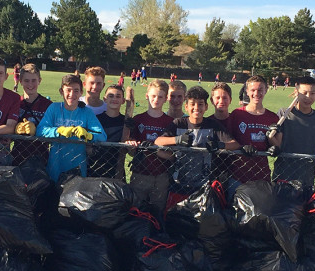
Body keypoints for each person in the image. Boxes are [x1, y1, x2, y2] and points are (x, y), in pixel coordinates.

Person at [155, 86, 237, 209]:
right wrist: (177, 139)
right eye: (192, 104)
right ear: (186, 106)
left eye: (200, 104)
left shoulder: (213, 125)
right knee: (175, 217)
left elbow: (235, 144)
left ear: (206, 107)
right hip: (179, 183)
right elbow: (158, 141)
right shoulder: (178, 123)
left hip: (205, 185)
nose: (196, 108)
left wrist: (220, 145)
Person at [36, 74, 106, 183]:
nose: (72, 94)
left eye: (76, 90)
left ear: (81, 92)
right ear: (61, 91)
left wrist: (89, 135)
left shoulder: (86, 112)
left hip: (78, 169)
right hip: (55, 167)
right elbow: (40, 130)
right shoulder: (54, 108)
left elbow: (102, 136)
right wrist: (58, 130)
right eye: (68, 90)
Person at [125, 79, 173, 214]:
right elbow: (130, 151)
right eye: (153, 96)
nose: (156, 99)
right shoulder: (138, 119)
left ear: (166, 99)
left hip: (161, 175)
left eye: (160, 97)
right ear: (147, 96)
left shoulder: (170, 122)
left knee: (158, 210)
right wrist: (131, 146)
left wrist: (154, 150)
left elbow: (173, 154)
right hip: (140, 173)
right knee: (136, 209)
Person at [272, 76, 315, 188]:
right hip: (283, 176)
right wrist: (270, 135)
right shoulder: (284, 113)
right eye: (304, 92)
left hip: (307, 178)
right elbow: (276, 143)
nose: (308, 97)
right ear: (296, 92)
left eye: (312, 93)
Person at [227, 75, 281, 187]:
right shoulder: (237, 114)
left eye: (260, 90)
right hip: (238, 176)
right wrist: (241, 147)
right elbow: (228, 140)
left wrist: (273, 146)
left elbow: (278, 146)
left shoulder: (273, 117)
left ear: (266, 90)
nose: (256, 94)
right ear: (247, 92)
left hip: (262, 176)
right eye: (253, 90)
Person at [88, 84, 133, 180]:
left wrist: (131, 134)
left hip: (117, 172)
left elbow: (131, 153)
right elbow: (87, 146)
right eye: (111, 96)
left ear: (123, 101)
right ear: (105, 99)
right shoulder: (96, 120)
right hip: (94, 169)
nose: (114, 99)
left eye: (118, 96)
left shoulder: (126, 123)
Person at [12, 63, 53, 166]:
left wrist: (38, 130)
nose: (30, 84)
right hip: (18, 157)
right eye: (26, 81)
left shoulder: (48, 105)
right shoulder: (15, 103)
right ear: (20, 81)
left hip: (41, 158)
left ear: (40, 81)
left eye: (34, 80)